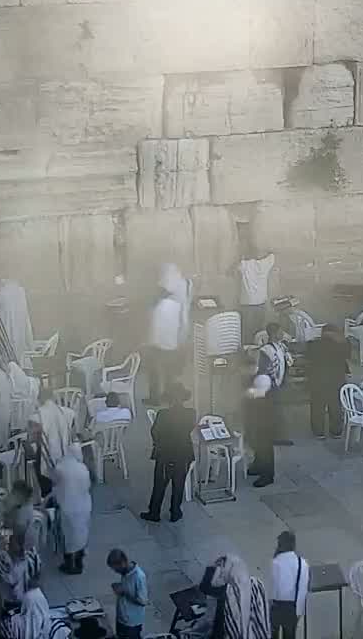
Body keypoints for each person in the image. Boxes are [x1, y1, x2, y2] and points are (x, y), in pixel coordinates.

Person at [140, 384, 195, 523]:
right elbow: (190, 429)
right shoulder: (191, 413)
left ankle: (154, 512)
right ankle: (175, 511)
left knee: (159, 484)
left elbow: (155, 432)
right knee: (179, 484)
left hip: (166, 455)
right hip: (183, 454)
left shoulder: (162, 415)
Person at [201, 553, 271, 639]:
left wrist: (212, 566)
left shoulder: (227, 589)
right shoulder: (256, 583)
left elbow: (205, 587)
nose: (221, 571)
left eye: (223, 567)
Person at [147, 265, 190, 398]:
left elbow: (153, 327)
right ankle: (168, 395)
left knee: (154, 370)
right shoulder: (176, 306)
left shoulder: (157, 306)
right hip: (171, 344)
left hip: (158, 344)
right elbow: (181, 323)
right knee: (169, 371)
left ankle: (155, 397)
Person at [50, 443, 92, 573]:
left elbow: (55, 482)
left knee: (67, 536)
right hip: (83, 506)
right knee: (80, 535)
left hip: (67, 508)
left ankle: (69, 564)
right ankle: (79, 563)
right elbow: (88, 485)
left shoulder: (60, 468)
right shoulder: (83, 468)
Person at [307, 321, 351, 439]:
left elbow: (307, 357)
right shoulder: (343, 345)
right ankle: (336, 431)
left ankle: (318, 432)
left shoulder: (314, 344)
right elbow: (347, 355)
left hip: (317, 380)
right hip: (336, 380)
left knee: (317, 406)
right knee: (336, 405)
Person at [268, 531, 310, 639]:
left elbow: (273, 588)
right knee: (290, 636)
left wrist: (269, 606)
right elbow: (303, 589)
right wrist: (299, 611)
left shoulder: (276, 562)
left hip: (276, 606)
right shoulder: (302, 563)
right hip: (292, 607)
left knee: (273, 635)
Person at [237, 220, 275, 340]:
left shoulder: (244, 265)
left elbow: (234, 266)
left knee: (246, 332)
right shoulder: (265, 264)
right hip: (261, 302)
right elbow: (271, 253)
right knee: (259, 331)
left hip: (247, 303)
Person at [0, 276, 35, 368]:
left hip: (5, 338)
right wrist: (30, 345)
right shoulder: (21, 293)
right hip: (20, 340)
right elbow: (27, 323)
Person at [0, 532, 41, 615]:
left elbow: (37, 576)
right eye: (19, 543)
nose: (22, 548)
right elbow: (6, 583)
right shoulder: (1, 560)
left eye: (24, 543)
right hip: (12, 603)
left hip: (30, 600)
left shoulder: (32, 555)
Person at [244, 374, 277, 487]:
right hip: (259, 410)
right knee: (259, 443)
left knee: (264, 445)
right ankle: (258, 465)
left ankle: (267, 475)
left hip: (264, 416)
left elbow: (263, 389)